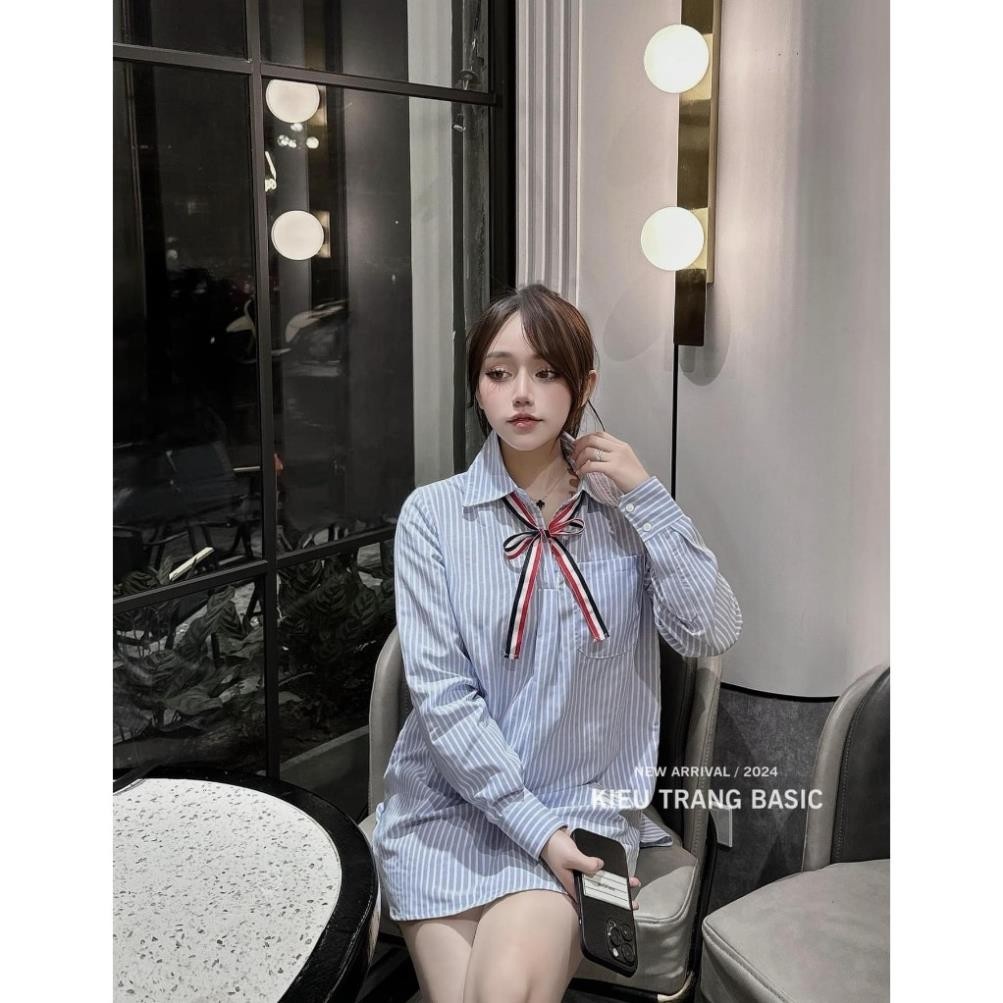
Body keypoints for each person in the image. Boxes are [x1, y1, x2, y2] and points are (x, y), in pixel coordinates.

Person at [370, 284, 742, 1002]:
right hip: (448, 805)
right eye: (498, 372)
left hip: (579, 810)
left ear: (584, 386)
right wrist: (529, 825)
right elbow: (443, 701)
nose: (521, 393)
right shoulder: (434, 516)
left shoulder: (623, 512)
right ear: (477, 386)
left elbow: (710, 628)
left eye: (545, 372)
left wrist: (645, 495)